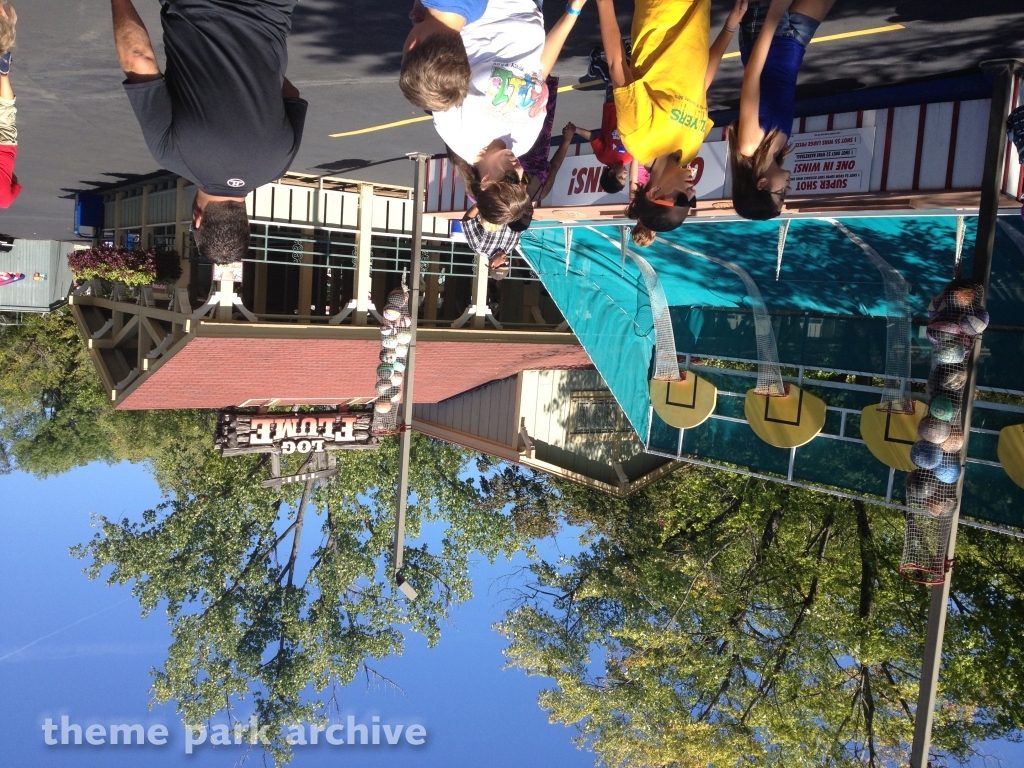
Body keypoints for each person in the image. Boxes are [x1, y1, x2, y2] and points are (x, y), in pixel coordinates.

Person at [111, 0, 307, 263]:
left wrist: (252, 71)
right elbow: (138, 57)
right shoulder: (170, 154)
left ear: (245, 221)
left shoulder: (279, 164)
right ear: (197, 218)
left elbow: (290, 95)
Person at [418, 0, 587, 225]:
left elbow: (437, 51)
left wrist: (430, 14)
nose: (518, 170)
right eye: (522, 179)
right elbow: (539, 71)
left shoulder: (455, 130)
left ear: (486, 182)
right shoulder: (523, 143)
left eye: (510, 178)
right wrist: (572, 12)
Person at [596, 0, 747, 232]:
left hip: (664, 9)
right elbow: (701, 83)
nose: (692, 193)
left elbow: (617, 64)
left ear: (654, 192)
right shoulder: (690, 151)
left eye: (682, 199)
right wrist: (729, 27)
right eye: (692, 202)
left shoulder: (639, 136)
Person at [728, 0, 834, 220]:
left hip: (765, 32)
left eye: (781, 194)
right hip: (795, 41)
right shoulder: (779, 148)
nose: (788, 189)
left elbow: (752, 76)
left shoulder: (750, 144)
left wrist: (774, 14)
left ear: (762, 184)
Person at [460, 203, 532, 281]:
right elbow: (520, 224)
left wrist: (483, 201)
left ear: (493, 265)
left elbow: (467, 221)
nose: (507, 262)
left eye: (503, 265)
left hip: (494, 199)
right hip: (515, 201)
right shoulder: (511, 247)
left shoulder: (479, 246)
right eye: (507, 265)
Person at [0, 2, 21, 210]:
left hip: (4, 148)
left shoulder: (5, 202)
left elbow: (13, 179)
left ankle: (3, 73)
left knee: (6, 109)